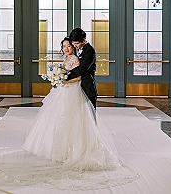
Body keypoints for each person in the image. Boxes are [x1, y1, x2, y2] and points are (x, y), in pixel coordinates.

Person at [22, 37, 119, 171]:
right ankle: (55, 149)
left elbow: (78, 77)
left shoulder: (75, 59)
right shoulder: (67, 59)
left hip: (72, 91)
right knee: (55, 117)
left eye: (69, 46)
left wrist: (63, 81)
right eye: (64, 46)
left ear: (73, 46)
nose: (66, 48)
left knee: (71, 118)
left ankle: (71, 150)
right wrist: (56, 78)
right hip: (63, 91)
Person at [66, 27, 97, 109]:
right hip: (76, 86)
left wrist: (66, 75)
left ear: (83, 41)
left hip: (87, 85)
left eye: (76, 44)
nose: (74, 46)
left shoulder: (90, 51)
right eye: (73, 44)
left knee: (89, 113)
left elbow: (82, 68)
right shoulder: (77, 49)